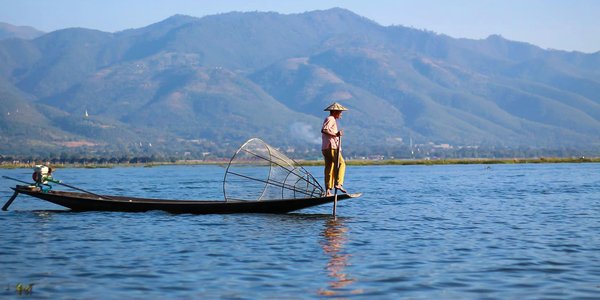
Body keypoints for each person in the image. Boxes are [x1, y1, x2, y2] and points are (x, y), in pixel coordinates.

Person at [321, 102, 348, 196]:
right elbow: (324, 130)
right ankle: (339, 183)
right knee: (341, 163)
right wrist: (336, 134)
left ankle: (328, 190)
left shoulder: (330, 119)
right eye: (340, 112)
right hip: (331, 147)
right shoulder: (331, 118)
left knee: (330, 167)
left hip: (325, 148)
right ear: (335, 112)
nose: (341, 114)